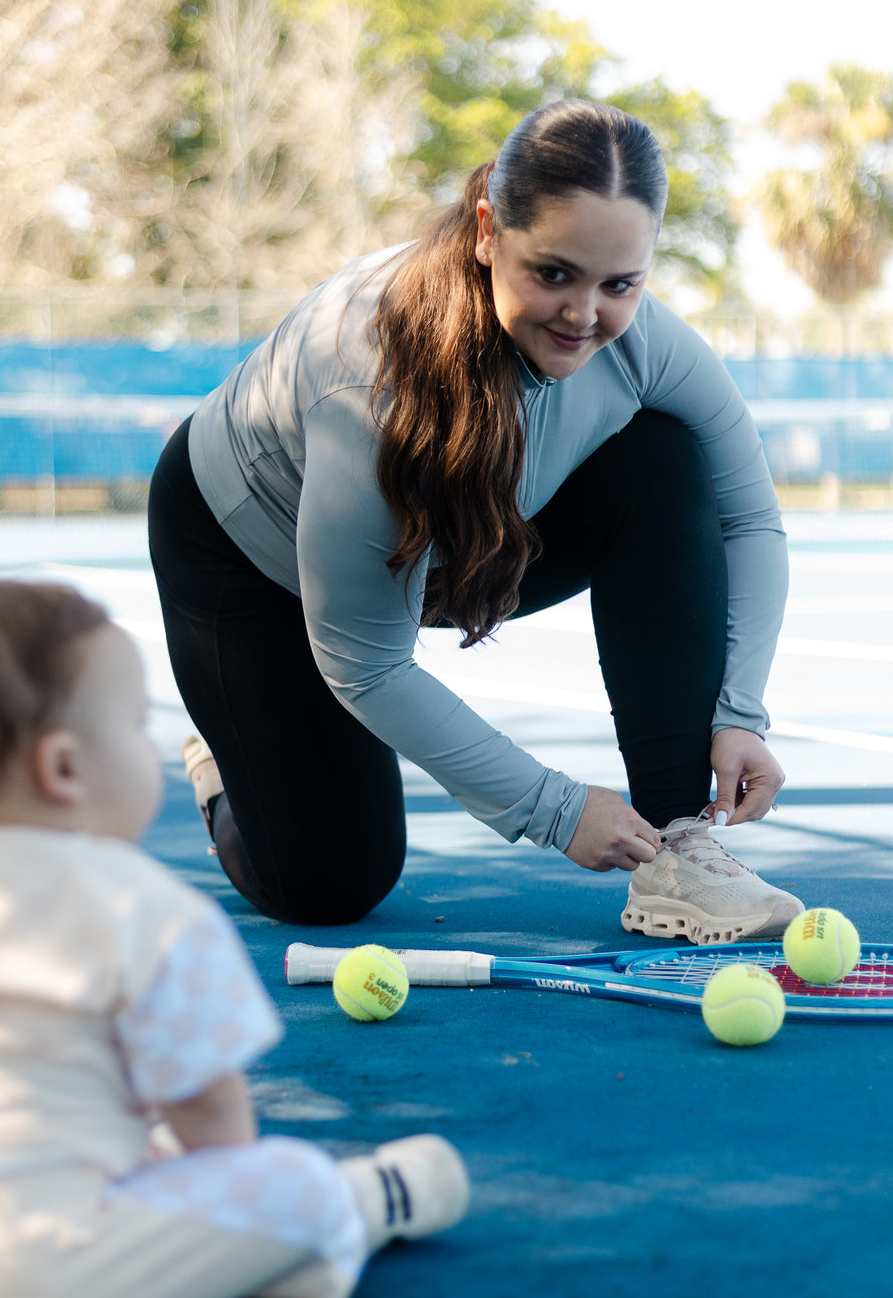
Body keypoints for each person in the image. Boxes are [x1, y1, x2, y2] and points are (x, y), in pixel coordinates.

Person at [149, 97, 802, 947]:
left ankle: (680, 848)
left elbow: (750, 520)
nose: (583, 316)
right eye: (554, 273)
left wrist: (738, 713)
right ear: (489, 228)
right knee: (329, 883)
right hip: (252, 566)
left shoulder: (650, 347)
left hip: (459, 541)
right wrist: (555, 809)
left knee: (666, 459)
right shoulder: (367, 384)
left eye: (620, 285)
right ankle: (227, 753)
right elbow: (366, 664)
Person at [0, 579, 469, 1298]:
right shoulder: (141, 908)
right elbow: (211, 1117)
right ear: (64, 769)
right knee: (285, 1183)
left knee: (143, 1156)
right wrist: (233, 1201)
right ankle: (375, 1202)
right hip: (40, 1280)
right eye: (135, 729)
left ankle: (226, 1259)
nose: (149, 751)